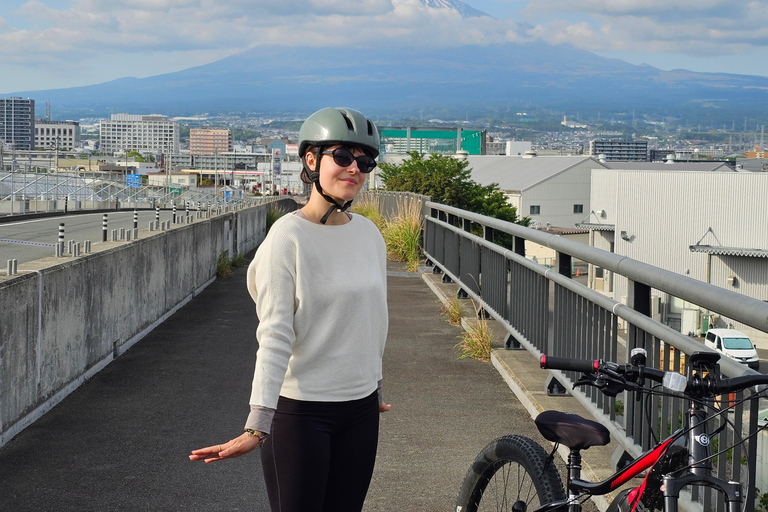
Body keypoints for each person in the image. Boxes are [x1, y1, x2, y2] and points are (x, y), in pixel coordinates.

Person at [190, 107, 391, 512]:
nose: (355, 169)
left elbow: (373, 320)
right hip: (302, 414)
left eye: (365, 161)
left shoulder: (369, 234)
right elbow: (275, 333)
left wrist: (375, 386)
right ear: (311, 160)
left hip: (361, 410)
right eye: (343, 156)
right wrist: (257, 423)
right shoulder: (287, 237)